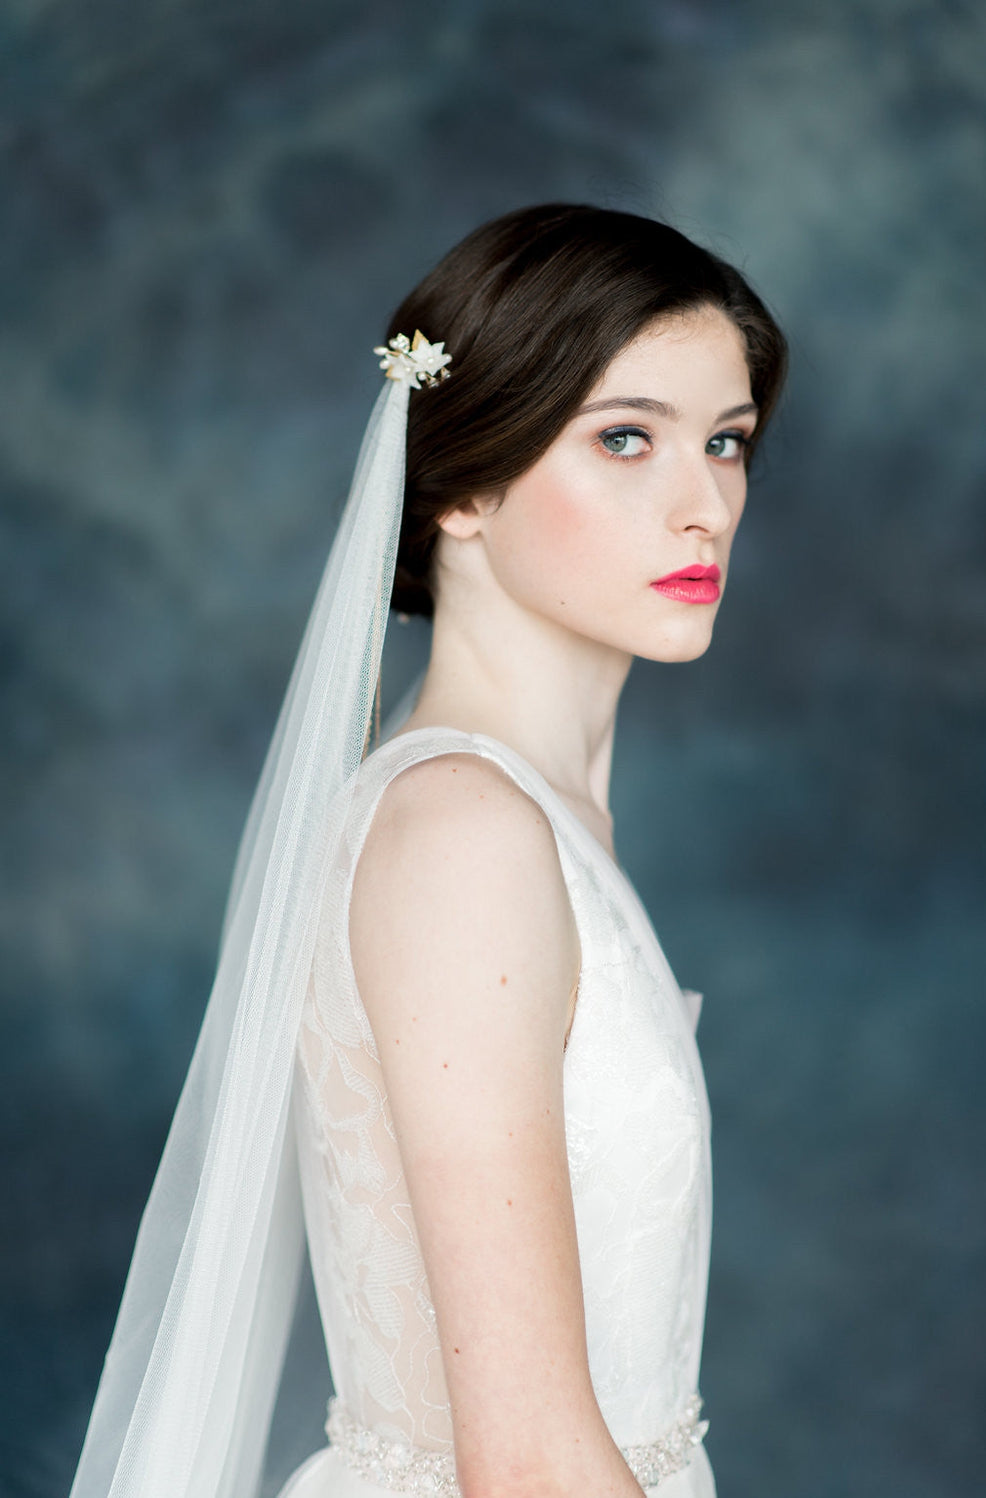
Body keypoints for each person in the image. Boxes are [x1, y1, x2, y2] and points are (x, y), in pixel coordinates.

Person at [69, 204, 786, 1498]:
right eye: (626, 439)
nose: (707, 507)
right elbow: (529, 1463)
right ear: (464, 486)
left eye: (725, 441)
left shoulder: (525, 815)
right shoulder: (463, 834)